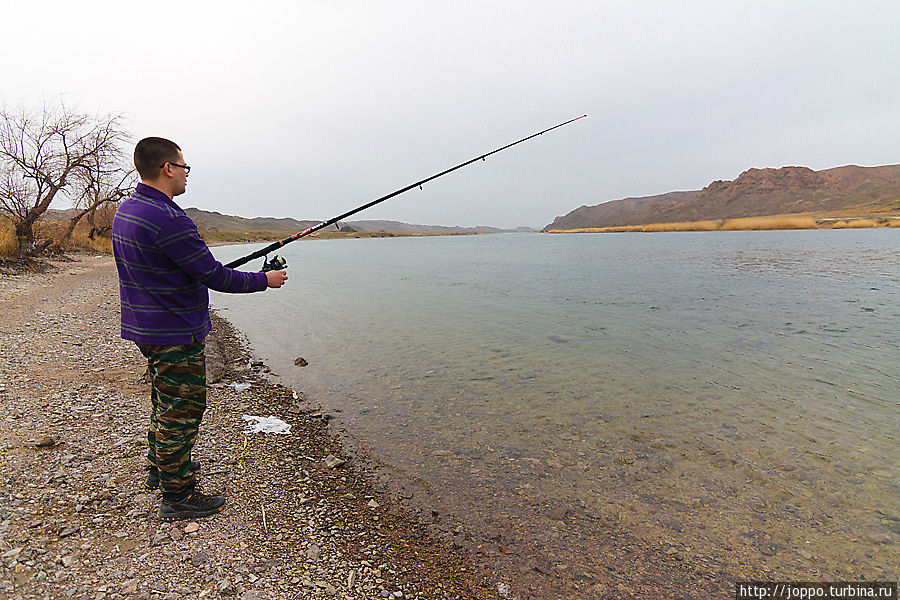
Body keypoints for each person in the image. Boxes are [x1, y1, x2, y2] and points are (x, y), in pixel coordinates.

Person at [111, 137, 288, 521]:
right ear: (167, 169)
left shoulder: (129, 208)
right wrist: (265, 280)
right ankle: (178, 496)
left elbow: (183, 268)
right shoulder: (168, 219)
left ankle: (161, 471)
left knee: (165, 399)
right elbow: (214, 275)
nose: (187, 173)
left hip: (147, 326)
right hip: (174, 330)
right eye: (184, 166)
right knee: (184, 408)